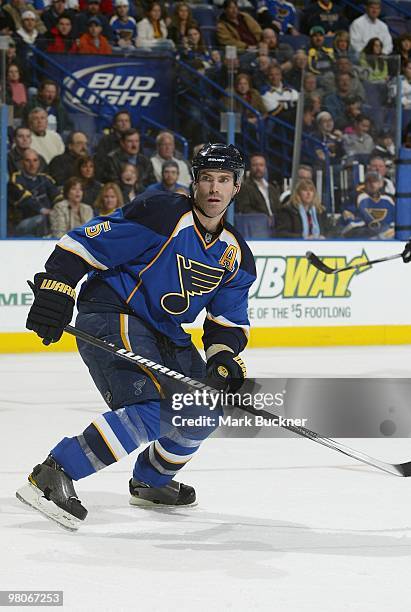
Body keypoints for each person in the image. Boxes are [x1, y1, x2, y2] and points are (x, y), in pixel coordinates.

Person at [17, 143, 255, 529]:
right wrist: (58, 287)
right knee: (153, 408)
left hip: (163, 331)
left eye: (224, 180)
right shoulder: (162, 213)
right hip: (113, 313)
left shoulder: (237, 255)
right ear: (194, 182)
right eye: (207, 179)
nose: (214, 188)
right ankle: (54, 472)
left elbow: (226, 320)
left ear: (236, 187)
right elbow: (85, 242)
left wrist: (223, 357)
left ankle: (152, 481)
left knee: (205, 409)